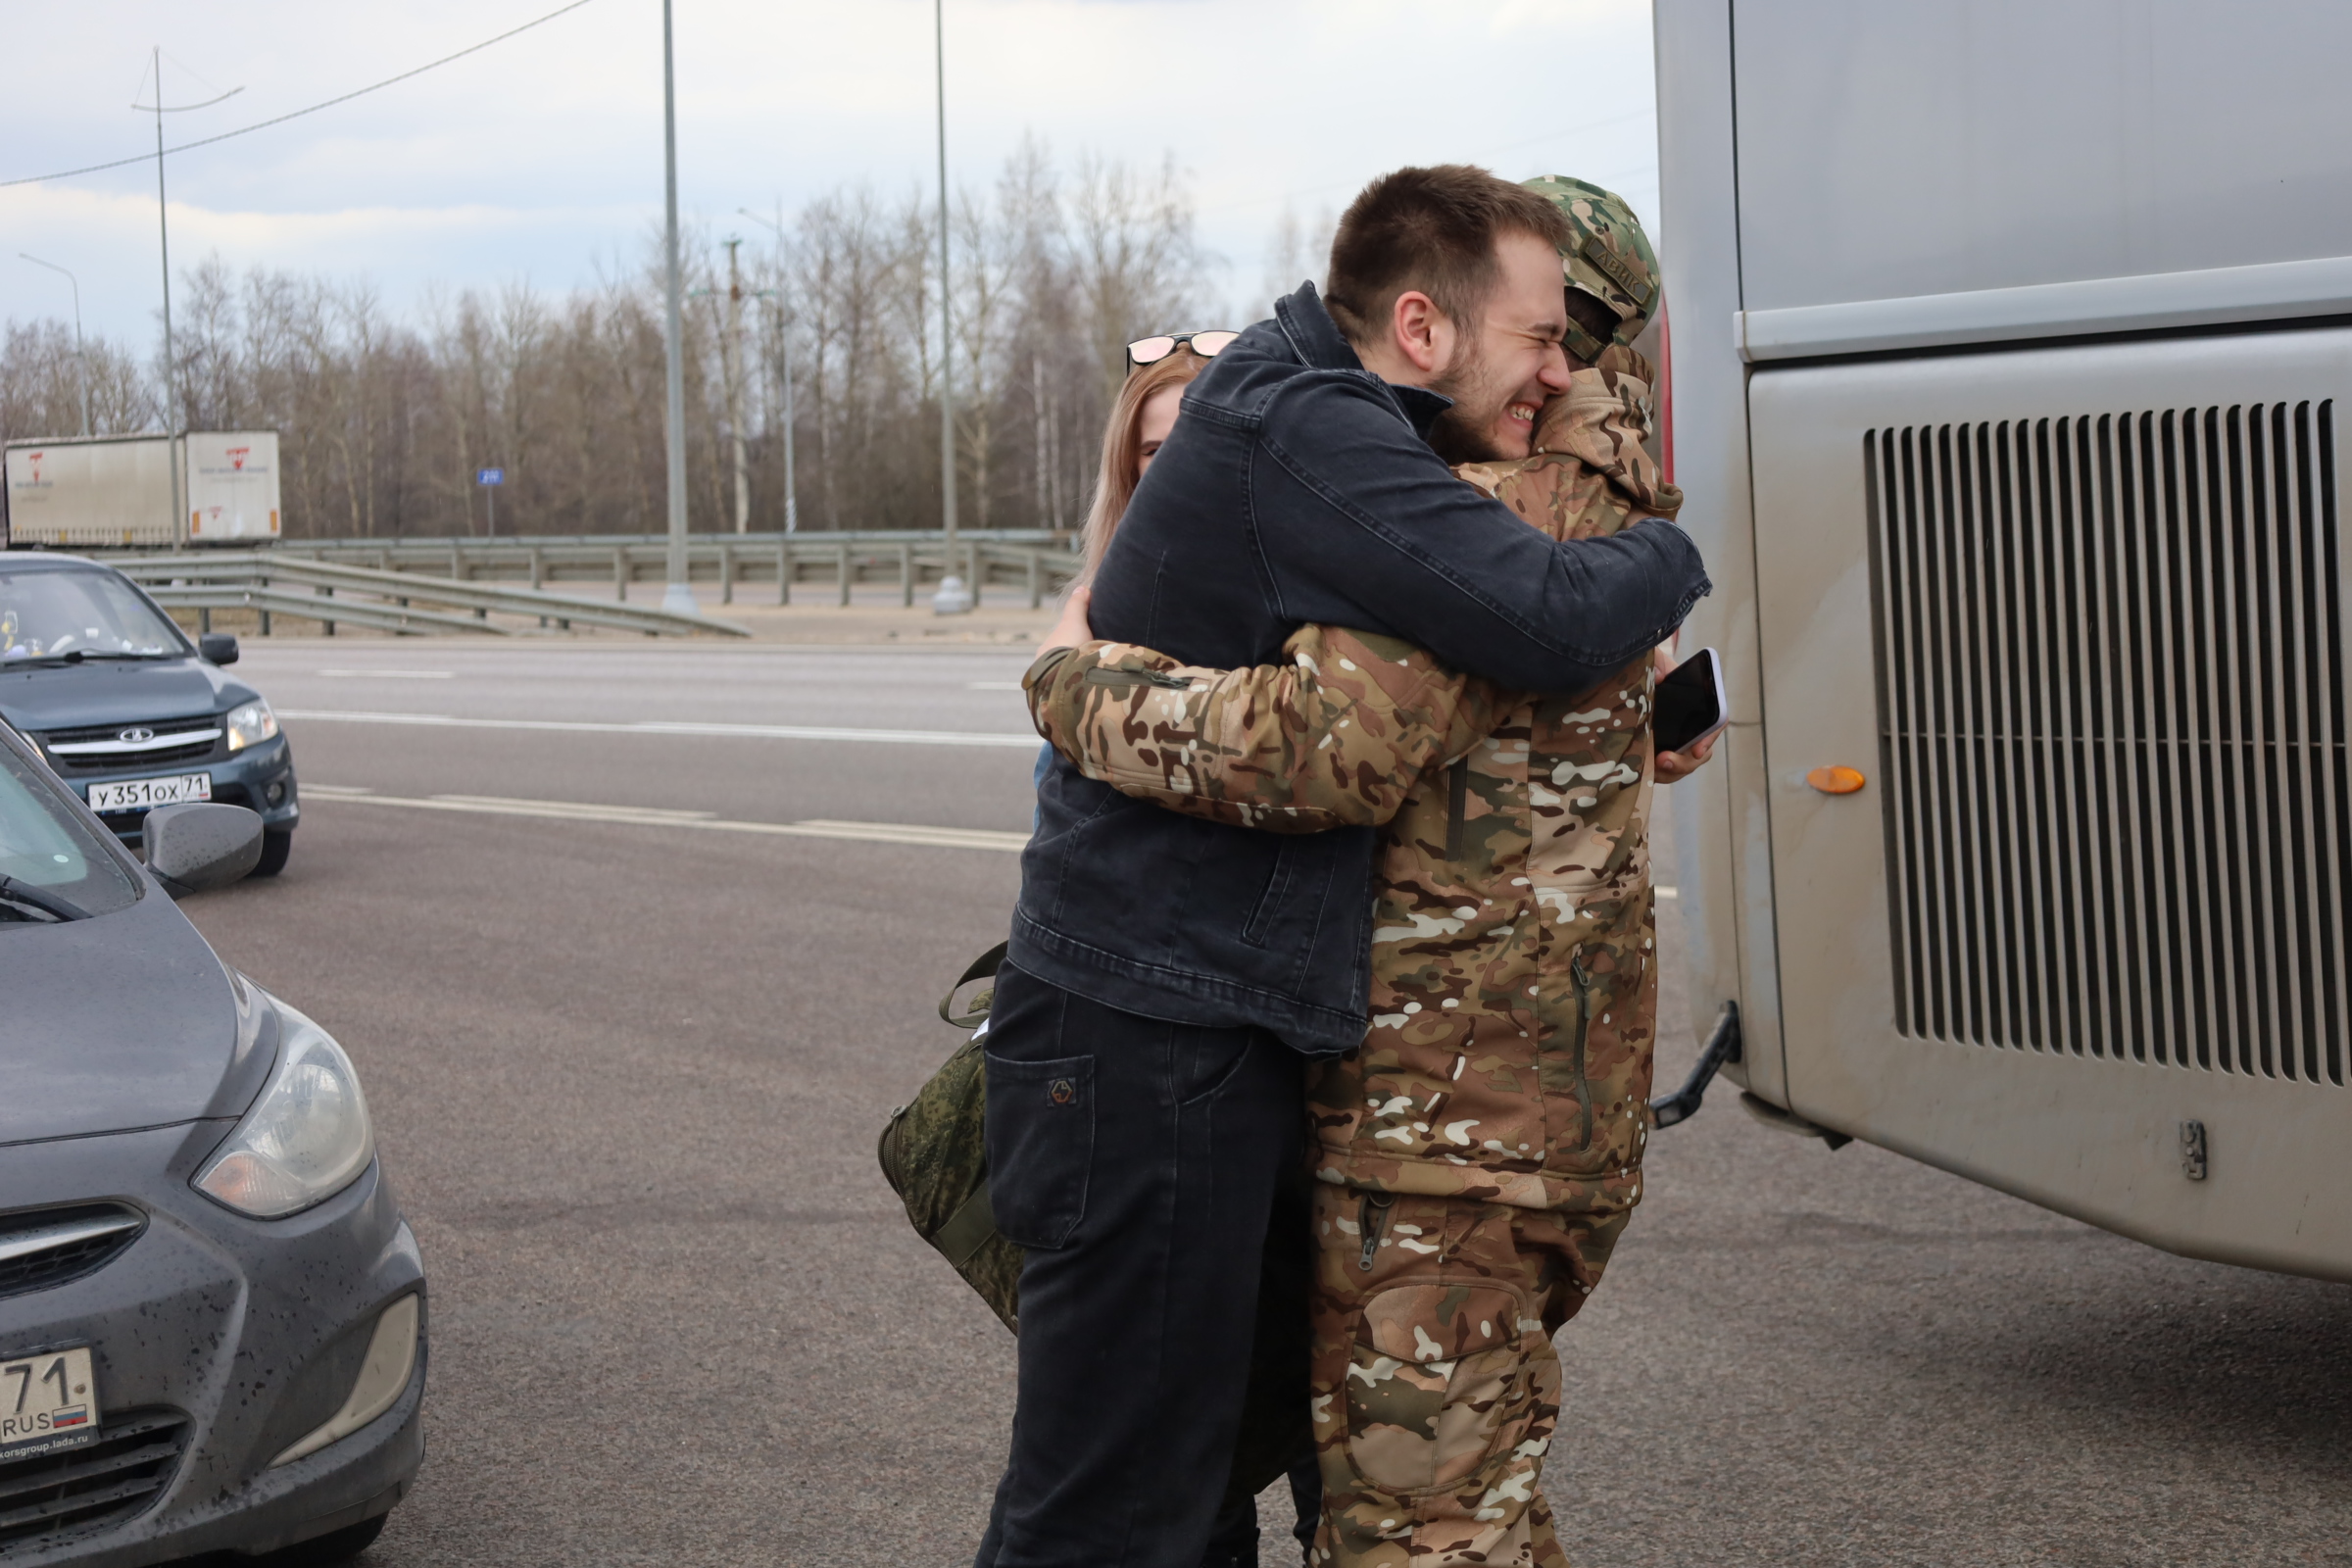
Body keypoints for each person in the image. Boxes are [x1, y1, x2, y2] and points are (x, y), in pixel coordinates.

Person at [976, 165, 1710, 1568]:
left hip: (1429, 1121)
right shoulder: (1566, 476)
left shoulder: (1476, 489)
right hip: (1507, 1095)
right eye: (1530, 330)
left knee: (1362, 1518)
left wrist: (1072, 683)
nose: (1545, 361)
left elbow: (1333, 750)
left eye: (1559, 335)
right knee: (1289, 1491)